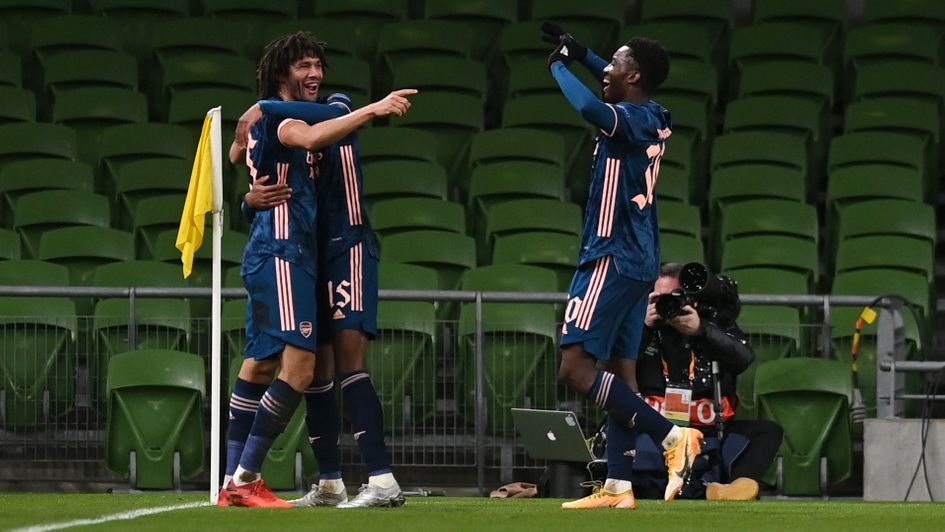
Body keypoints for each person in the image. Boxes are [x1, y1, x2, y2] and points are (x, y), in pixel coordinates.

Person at [219, 31, 414, 508]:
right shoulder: (287, 123)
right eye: (303, 66)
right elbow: (256, 150)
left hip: (342, 248)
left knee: (325, 365)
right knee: (305, 369)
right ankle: (284, 480)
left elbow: (246, 151)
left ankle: (374, 480)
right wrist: (248, 200)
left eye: (318, 66)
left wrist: (259, 109)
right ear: (283, 72)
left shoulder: (330, 107)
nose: (315, 74)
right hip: (292, 251)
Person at [543, 21, 704, 510]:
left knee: (575, 369)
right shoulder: (655, 112)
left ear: (632, 76)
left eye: (614, 64)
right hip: (640, 259)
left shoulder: (627, 118)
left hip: (610, 255)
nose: (605, 71)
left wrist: (559, 66)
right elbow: (615, 83)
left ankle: (674, 438)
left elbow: (590, 108)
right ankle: (618, 483)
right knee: (622, 374)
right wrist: (584, 53)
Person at [633, 262, 783, 500]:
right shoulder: (641, 327)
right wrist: (644, 328)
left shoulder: (710, 324)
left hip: (709, 431)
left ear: (691, 300)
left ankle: (736, 488)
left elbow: (743, 357)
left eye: (673, 298)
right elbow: (611, 366)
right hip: (657, 431)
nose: (667, 304)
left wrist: (701, 330)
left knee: (768, 432)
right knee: (620, 433)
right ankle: (701, 490)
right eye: (659, 298)